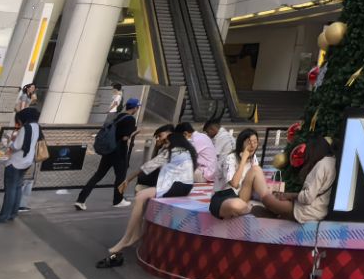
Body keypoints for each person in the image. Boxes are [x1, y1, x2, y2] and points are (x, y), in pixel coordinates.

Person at [98, 125, 198, 266]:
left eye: (160, 136)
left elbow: (149, 166)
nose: (160, 139)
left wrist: (128, 180)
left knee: (140, 196)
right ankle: (134, 234)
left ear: (169, 135)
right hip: (183, 185)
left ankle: (127, 239)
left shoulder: (171, 149)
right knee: (141, 195)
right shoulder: (184, 148)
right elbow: (151, 166)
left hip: (176, 186)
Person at [75, 98, 142, 210]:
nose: (137, 109)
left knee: (98, 175)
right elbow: (125, 137)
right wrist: (135, 132)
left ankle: (81, 199)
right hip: (119, 151)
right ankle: (118, 200)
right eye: (137, 107)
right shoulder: (130, 119)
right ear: (135, 108)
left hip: (109, 150)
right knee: (120, 176)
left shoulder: (118, 116)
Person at [0, 104, 39, 224]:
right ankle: (13, 214)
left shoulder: (25, 128)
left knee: (10, 190)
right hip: (27, 161)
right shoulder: (36, 126)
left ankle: (3, 216)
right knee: (18, 188)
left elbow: (17, 146)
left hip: (16, 162)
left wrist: (9, 144)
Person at [209, 129, 263, 220]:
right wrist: (243, 160)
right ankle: (250, 208)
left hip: (242, 196)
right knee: (236, 205)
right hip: (224, 196)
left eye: (255, 142)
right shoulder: (230, 158)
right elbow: (234, 183)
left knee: (266, 195)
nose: (252, 145)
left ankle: (249, 208)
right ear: (241, 143)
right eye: (249, 142)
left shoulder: (254, 159)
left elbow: (254, 182)